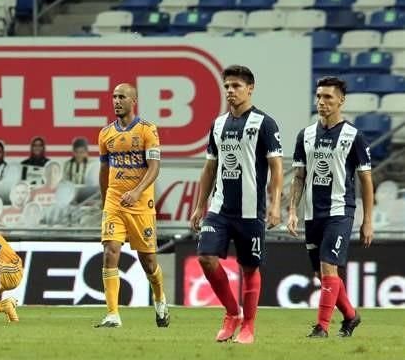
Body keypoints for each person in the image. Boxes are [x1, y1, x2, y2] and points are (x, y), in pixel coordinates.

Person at [190, 65, 283, 344]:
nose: (230, 91)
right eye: (227, 86)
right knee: (206, 258)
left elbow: (276, 168)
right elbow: (209, 168)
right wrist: (199, 206)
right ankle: (232, 313)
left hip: (250, 211)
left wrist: (275, 205)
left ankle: (249, 326)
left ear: (250, 88)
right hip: (219, 209)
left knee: (249, 268)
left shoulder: (265, 124)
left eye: (236, 86)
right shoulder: (217, 124)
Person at [286, 76, 373, 338]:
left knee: (327, 267)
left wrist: (367, 220)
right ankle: (350, 315)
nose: (321, 102)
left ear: (341, 101)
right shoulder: (306, 135)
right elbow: (299, 176)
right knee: (321, 273)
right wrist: (292, 210)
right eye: (319, 96)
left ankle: (321, 328)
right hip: (313, 213)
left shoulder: (354, 136)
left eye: (328, 97)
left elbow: (366, 180)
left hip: (340, 211)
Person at [96, 83, 169, 329]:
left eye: (122, 97)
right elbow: (104, 169)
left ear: (133, 100)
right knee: (110, 252)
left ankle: (159, 298)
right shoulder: (106, 134)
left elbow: (154, 167)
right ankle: (113, 314)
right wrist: (104, 199)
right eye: (114, 97)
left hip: (140, 203)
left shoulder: (148, 130)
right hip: (114, 202)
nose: (116, 101)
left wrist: (137, 191)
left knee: (148, 261)